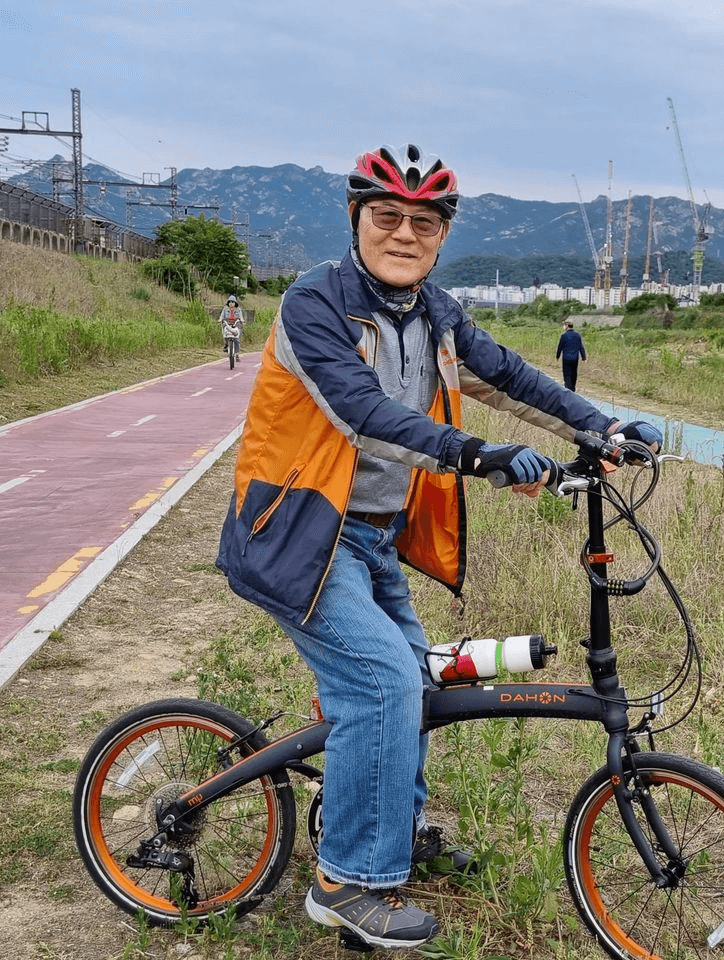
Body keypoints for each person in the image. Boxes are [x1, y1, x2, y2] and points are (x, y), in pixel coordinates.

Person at [216, 143, 662, 950]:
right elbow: (360, 411)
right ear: (356, 219)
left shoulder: (436, 312)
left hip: (370, 540)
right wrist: (474, 452)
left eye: (423, 222)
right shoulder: (313, 304)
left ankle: (396, 829)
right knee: (383, 685)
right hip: (296, 536)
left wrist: (603, 424)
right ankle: (345, 882)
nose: (403, 233)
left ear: (442, 235)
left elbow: (514, 376)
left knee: (413, 688)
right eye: (386, 216)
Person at [556, 318, 587, 391]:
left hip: (566, 358)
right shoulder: (577, 335)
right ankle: (573, 389)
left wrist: (558, 356)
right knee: (574, 374)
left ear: (567, 326)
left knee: (567, 375)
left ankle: (568, 389)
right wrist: (584, 357)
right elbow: (581, 347)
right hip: (575, 358)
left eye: (564, 325)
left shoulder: (564, 335)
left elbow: (560, 347)